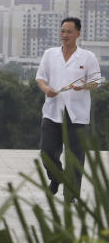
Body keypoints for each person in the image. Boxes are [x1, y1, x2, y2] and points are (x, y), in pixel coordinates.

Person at [35, 16, 102, 199]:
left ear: (78, 33)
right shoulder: (50, 54)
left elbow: (96, 82)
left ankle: (70, 196)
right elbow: (40, 78)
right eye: (62, 31)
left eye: (69, 31)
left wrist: (84, 86)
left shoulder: (88, 57)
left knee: (75, 157)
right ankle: (56, 177)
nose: (65, 35)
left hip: (77, 115)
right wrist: (46, 89)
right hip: (52, 111)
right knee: (46, 152)